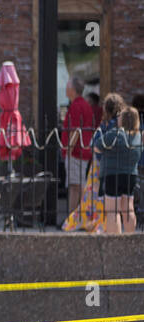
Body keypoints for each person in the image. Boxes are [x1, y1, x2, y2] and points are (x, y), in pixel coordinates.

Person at [93, 105, 141, 235]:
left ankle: (116, 242)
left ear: (123, 119)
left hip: (112, 175)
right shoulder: (138, 136)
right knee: (128, 209)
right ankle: (130, 239)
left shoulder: (115, 134)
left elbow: (96, 147)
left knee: (112, 211)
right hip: (130, 175)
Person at [61, 76, 95, 221]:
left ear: (73, 89)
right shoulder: (84, 105)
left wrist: (68, 149)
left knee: (76, 186)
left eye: (68, 86)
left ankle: (73, 219)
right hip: (83, 150)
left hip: (76, 152)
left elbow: (75, 130)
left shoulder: (76, 105)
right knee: (79, 184)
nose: (66, 89)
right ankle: (79, 217)